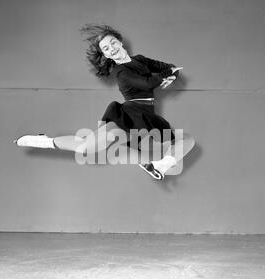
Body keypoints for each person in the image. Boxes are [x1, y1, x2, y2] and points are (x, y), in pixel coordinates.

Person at [15, 24, 195, 180]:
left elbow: (169, 67)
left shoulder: (140, 60)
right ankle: (45, 141)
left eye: (113, 43)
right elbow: (148, 83)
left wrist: (172, 74)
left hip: (147, 115)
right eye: (106, 49)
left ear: (120, 41)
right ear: (106, 55)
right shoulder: (121, 73)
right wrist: (167, 74)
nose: (112, 49)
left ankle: (158, 166)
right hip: (128, 116)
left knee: (187, 140)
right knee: (86, 147)